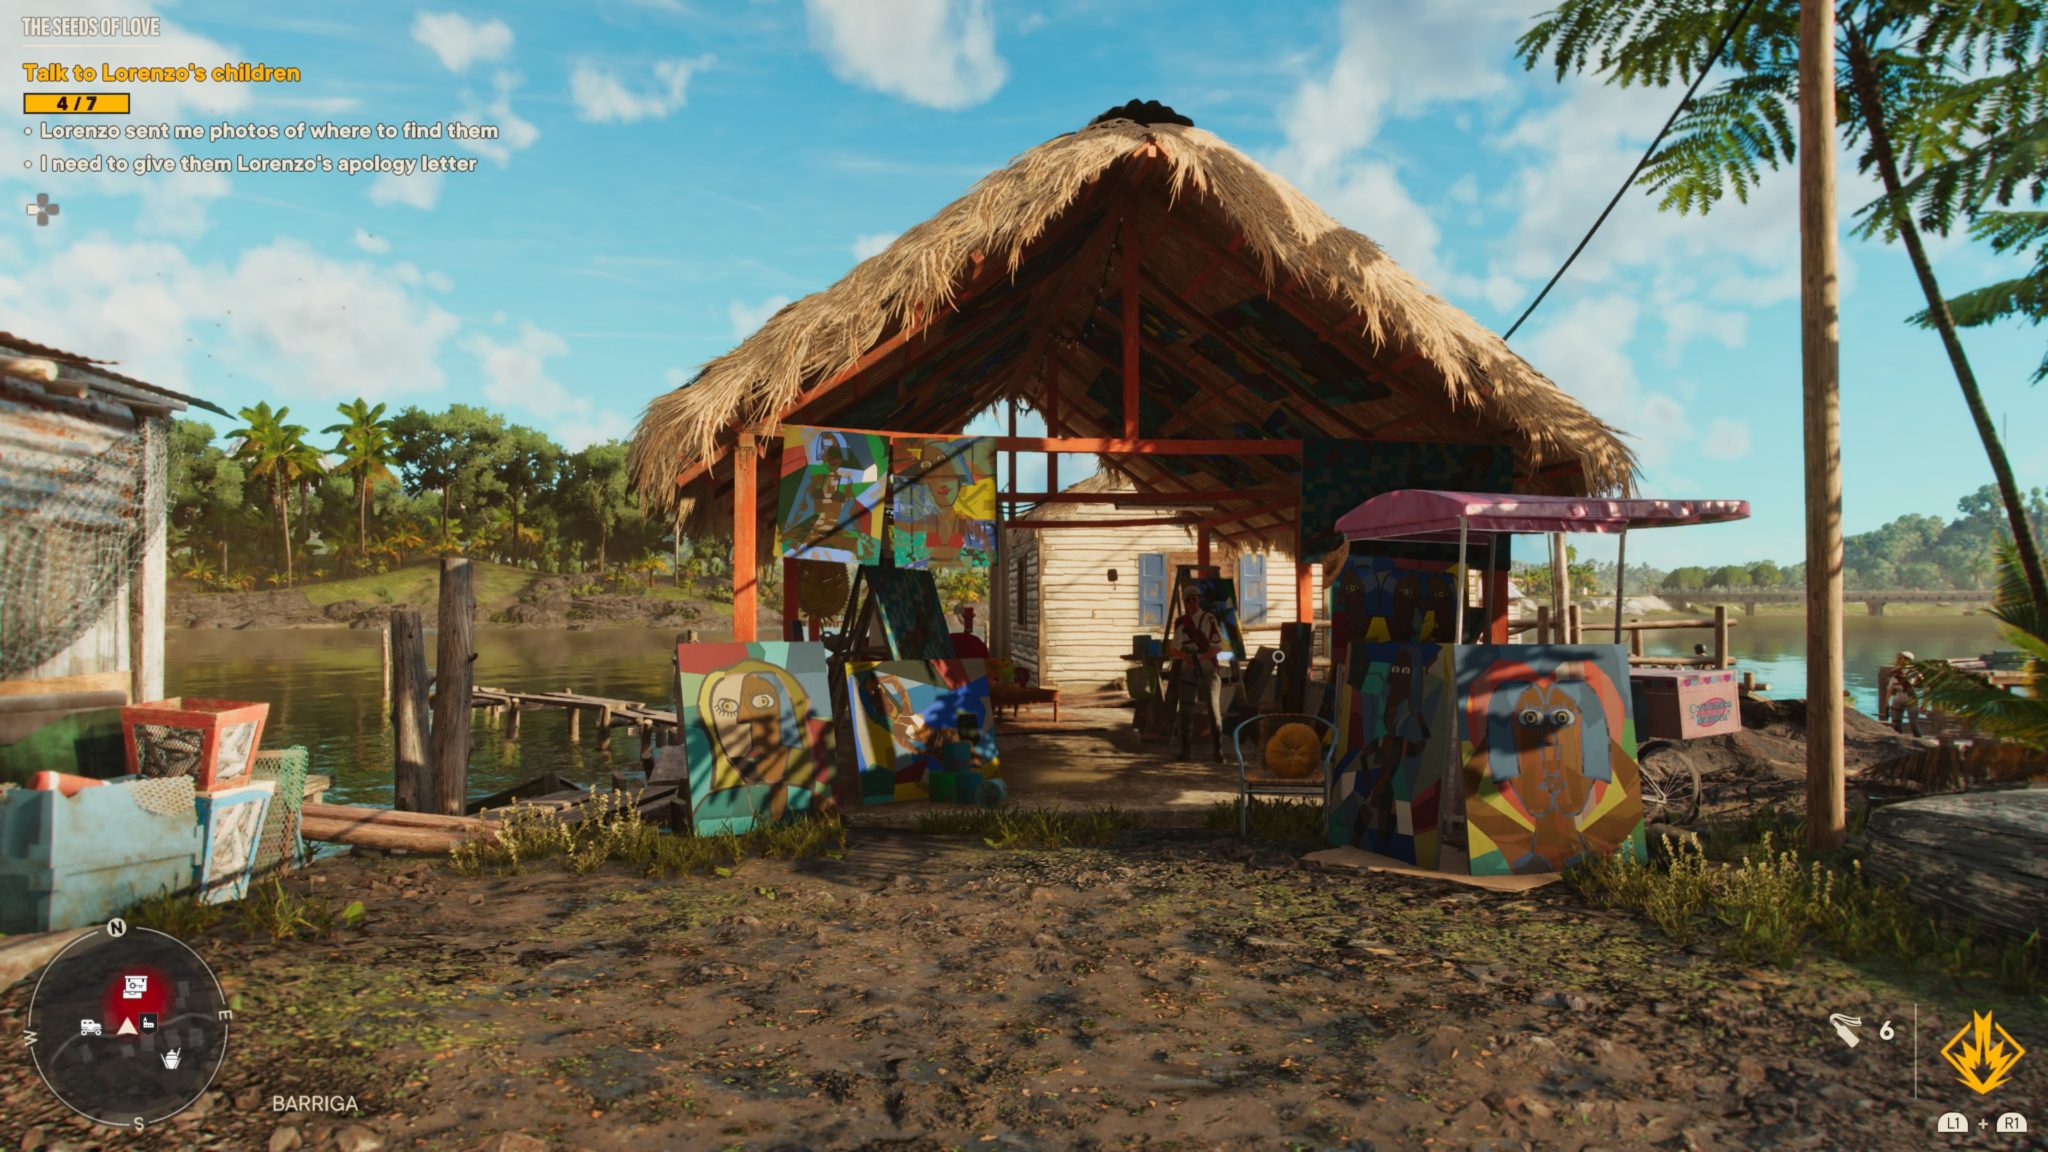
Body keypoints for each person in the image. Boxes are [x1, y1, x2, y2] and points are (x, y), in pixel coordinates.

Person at [1172, 586, 1225, 761]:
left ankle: (1218, 750)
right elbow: (1174, 649)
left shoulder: (1209, 618)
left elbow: (1217, 647)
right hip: (1188, 666)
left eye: (1194, 598)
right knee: (1185, 710)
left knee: (1213, 708)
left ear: (1198, 599)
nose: (1191, 602)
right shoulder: (1181, 622)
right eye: (1188, 600)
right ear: (1185, 602)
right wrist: (1186, 657)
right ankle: (1185, 749)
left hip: (1207, 665)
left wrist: (1201, 659)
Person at [1888, 651, 1923, 737]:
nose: (1897, 660)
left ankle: (1919, 740)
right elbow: (1891, 687)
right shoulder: (1895, 671)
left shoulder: (1914, 671)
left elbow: (1920, 683)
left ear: (1907, 660)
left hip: (1910, 697)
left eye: (1900, 658)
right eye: (1898, 658)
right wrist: (1887, 701)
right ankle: (1899, 740)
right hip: (1897, 697)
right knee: (1895, 723)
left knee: (1913, 724)